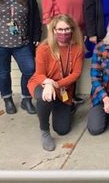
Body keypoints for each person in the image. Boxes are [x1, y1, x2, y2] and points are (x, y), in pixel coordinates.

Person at [27, 15, 84, 151]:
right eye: (60, 29)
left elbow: (76, 73)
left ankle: (65, 107)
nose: (63, 32)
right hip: (41, 84)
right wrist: (48, 84)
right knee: (44, 97)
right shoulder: (44, 48)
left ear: (72, 30)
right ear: (53, 30)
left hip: (63, 89)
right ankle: (44, 132)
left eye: (67, 29)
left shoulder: (77, 48)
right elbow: (39, 74)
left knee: (62, 130)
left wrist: (56, 85)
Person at [42, 0, 85, 104]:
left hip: (77, 33)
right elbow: (47, 15)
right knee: (61, 64)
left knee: (74, 64)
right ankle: (60, 95)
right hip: (61, 33)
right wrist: (54, 35)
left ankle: (71, 95)